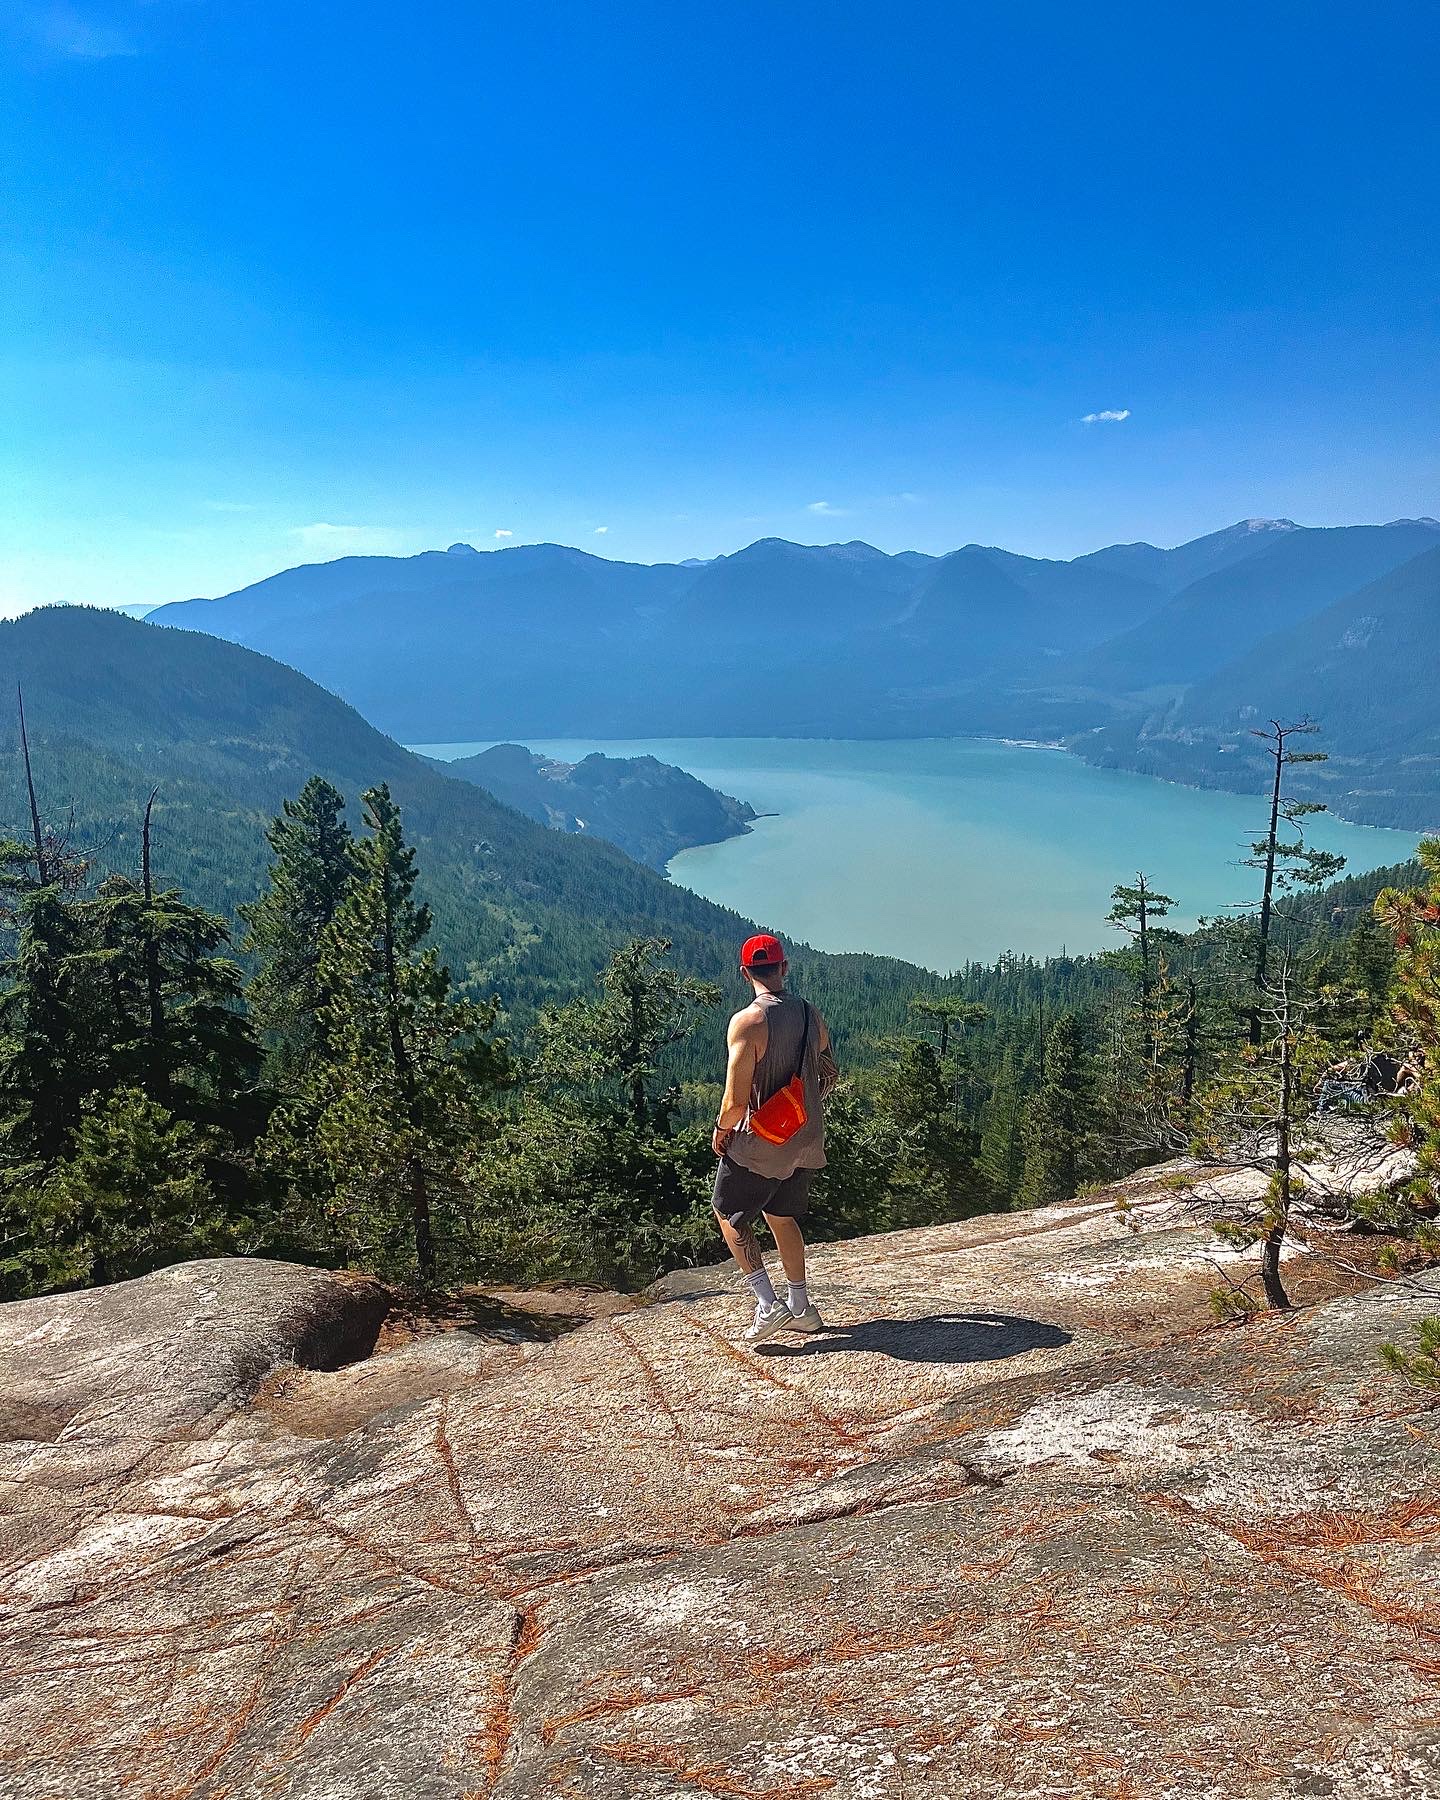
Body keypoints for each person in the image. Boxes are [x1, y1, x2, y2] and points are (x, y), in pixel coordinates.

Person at [712, 933, 837, 1344]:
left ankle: (767, 1305)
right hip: (805, 1138)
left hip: (763, 1143)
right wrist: (800, 1108)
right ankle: (801, 1307)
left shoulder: (748, 1022)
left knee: (728, 1214)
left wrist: (722, 1130)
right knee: (782, 1216)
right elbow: (829, 1072)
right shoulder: (809, 1013)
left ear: (745, 973)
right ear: (784, 968)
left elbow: (733, 1100)